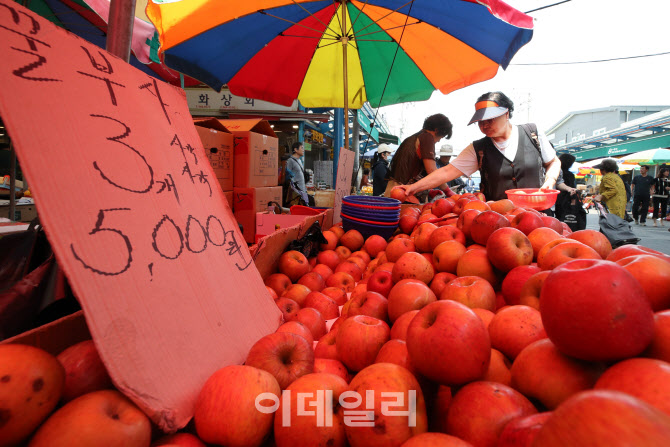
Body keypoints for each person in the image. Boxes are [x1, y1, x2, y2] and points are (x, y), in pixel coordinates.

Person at [398, 92, 561, 201]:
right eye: (480, 122)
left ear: (506, 114)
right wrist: (412, 188)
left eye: (490, 119)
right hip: (498, 223)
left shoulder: (532, 133)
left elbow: (553, 162)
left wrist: (550, 181)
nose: (484, 125)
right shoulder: (478, 149)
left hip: (539, 217)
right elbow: (446, 172)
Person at [385, 113, 454, 197]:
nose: (439, 141)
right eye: (441, 137)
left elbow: (411, 169)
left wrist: (427, 192)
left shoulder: (412, 138)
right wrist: (448, 191)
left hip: (393, 190)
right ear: (436, 130)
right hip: (403, 194)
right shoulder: (427, 137)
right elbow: (432, 171)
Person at [554, 153, 579, 221]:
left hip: (556, 199)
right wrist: (573, 201)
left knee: (558, 217)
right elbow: (572, 188)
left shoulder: (555, 170)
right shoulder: (569, 175)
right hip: (566, 200)